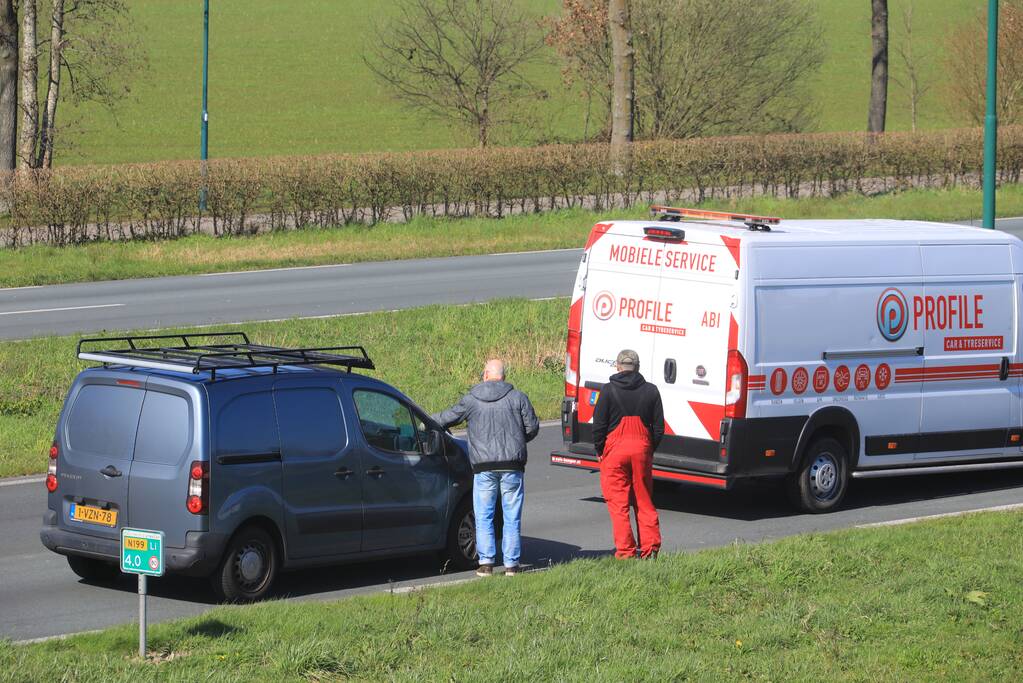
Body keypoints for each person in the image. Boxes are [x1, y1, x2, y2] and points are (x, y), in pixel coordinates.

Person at [433, 359, 539, 577]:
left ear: (484, 375)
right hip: (512, 465)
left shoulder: (472, 400)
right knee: (511, 516)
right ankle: (511, 565)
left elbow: (446, 418)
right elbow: (533, 428)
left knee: (484, 516)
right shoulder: (518, 397)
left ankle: (486, 564)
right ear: (504, 376)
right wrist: (517, 440)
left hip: (483, 466)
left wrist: (422, 421)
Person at [591, 349, 664, 559]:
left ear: (617, 366)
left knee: (618, 504)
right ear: (638, 367)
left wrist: (599, 449)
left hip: (614, 452)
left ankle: (626, 552)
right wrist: (649, 449)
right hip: (642, 450)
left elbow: (599, 426)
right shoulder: (651, 391)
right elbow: (659, 428)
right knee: (644, 501)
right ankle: (650, 550)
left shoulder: (607, 391)